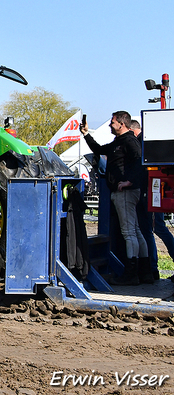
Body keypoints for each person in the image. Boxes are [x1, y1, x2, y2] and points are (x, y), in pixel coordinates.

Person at [80, 111, 151, 285]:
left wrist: (128, 182)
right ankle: (145, 271)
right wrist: (86, 134)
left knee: (128, 232)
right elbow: (99, 149)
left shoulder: (129, 142)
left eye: (112, 122)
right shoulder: (119, 142)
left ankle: (131, 274)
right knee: (135, 231)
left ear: (122, 123)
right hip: (125, 191)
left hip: (125, 192)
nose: (110, 125)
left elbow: (140, 162)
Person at [131, 119, 174, 281]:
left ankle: (152, 267)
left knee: (156, 229)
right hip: (152, 190)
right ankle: (152, 266)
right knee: (154, 229)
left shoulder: (143, 142)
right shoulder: (146, 141)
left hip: (152, 190)